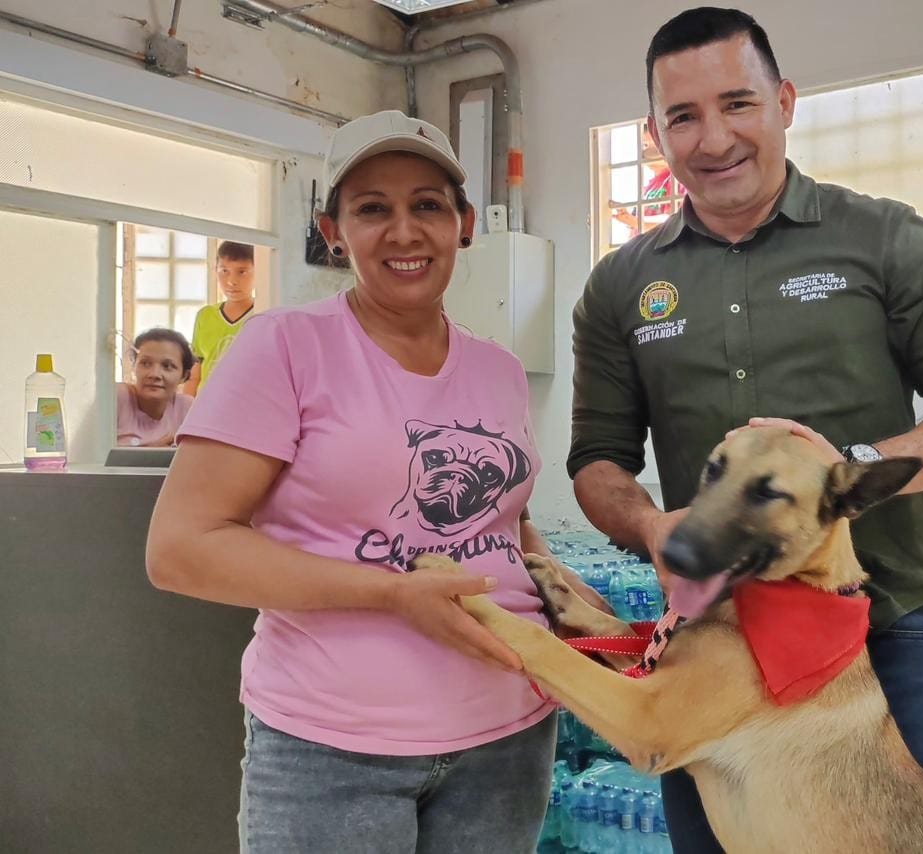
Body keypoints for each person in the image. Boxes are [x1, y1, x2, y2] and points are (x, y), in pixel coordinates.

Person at [567, 8, 923, 852]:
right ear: (654, 133)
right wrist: (647, 526)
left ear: (784, 101)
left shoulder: (883, 238)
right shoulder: (621, 286)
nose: (714, 138)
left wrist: (848, 472)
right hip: (712, 645)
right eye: (683, 116)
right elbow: (598, 460)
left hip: (876, 629)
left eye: (738, 104)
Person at [146, 110, 597, 853]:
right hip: (335, 749)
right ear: (332, 229)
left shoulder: (499, 369)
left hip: (509, 738)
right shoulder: (284, 347)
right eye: (371, 209)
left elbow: (501, 528)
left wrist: (568, 593)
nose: (404, 231)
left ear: (464, 225)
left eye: (426, 205)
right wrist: (393, 592)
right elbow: (181, 549)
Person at [185, 240, 256, 396]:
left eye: (242, 272)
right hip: (205, 406)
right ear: (215, 270)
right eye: (224, 271)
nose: (231, 281)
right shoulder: (205, 316)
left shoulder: (263, 316)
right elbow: (194, 374)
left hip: (243, 406)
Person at [115, 327, 195, 447]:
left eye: (167, 366)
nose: (154, 374)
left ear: (184, 375)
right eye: (145, 363)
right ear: (134, 366)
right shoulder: (118, 397)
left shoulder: (185, 408)